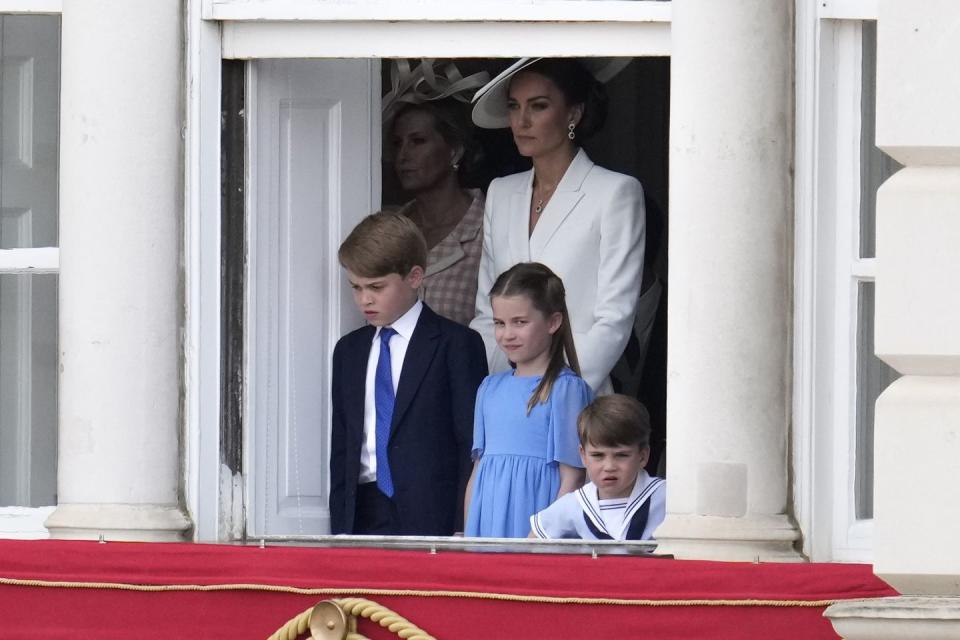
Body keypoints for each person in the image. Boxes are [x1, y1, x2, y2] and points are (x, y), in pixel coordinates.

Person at [469, 57, 646, 395]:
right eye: (514, 106)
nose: (522, 121)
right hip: (505, 395)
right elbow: (485, 313)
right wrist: (497, 389)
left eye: (538, 106)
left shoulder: (614, 192)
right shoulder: (501, 192)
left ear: (573, 114)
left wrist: (555, 389)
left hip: (579, 395)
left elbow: (614, 319)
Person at [329, 212, 488, 536]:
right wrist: (339, 526)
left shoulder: (455, 344)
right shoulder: (349, 351)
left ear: (415, 276)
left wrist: (463, 524)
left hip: (433, 512)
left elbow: (469, 443)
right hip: (363, 511)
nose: (364, 299)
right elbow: (343, 445)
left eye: (376, 287)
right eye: (356, 288)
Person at [465, 262, 592, 538]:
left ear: (553, 322)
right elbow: (477, 474)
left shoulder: (565, 389)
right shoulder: (489, 387)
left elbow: (572, 477)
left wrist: (543, 538)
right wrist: (469, 535)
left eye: (519, 322)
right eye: (499, 323)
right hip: (488, 524)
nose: (507, 334)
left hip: (536, 525)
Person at [390, 100, 485, 326]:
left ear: (454, 152)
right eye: (397, 143)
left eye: (417, 141)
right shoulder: (389, 232)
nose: (403, 155)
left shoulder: (488, 226)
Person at [529, 394, 665, 541]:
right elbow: (529, 545)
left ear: (643, 456)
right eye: (598, 455)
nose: (609, 466)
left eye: (622, 455)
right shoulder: (575, 504)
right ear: (583, 455)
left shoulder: (666, 498)